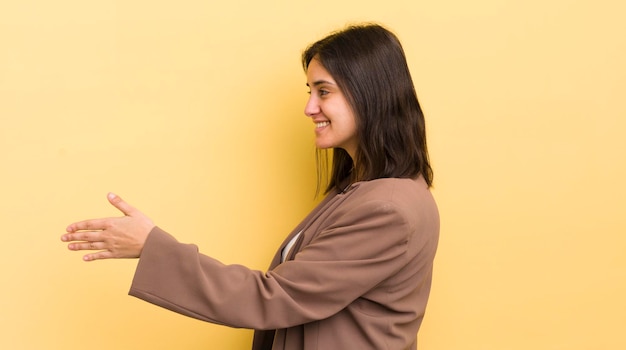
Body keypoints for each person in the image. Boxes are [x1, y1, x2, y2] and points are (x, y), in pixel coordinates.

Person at [61, 23, 440, 350]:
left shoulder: (388, 207)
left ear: (370, 94)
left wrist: (151, 246)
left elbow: (274, 296)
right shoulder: (361, 190)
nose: (309, 108)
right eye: (309, 91)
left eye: (323, 92)